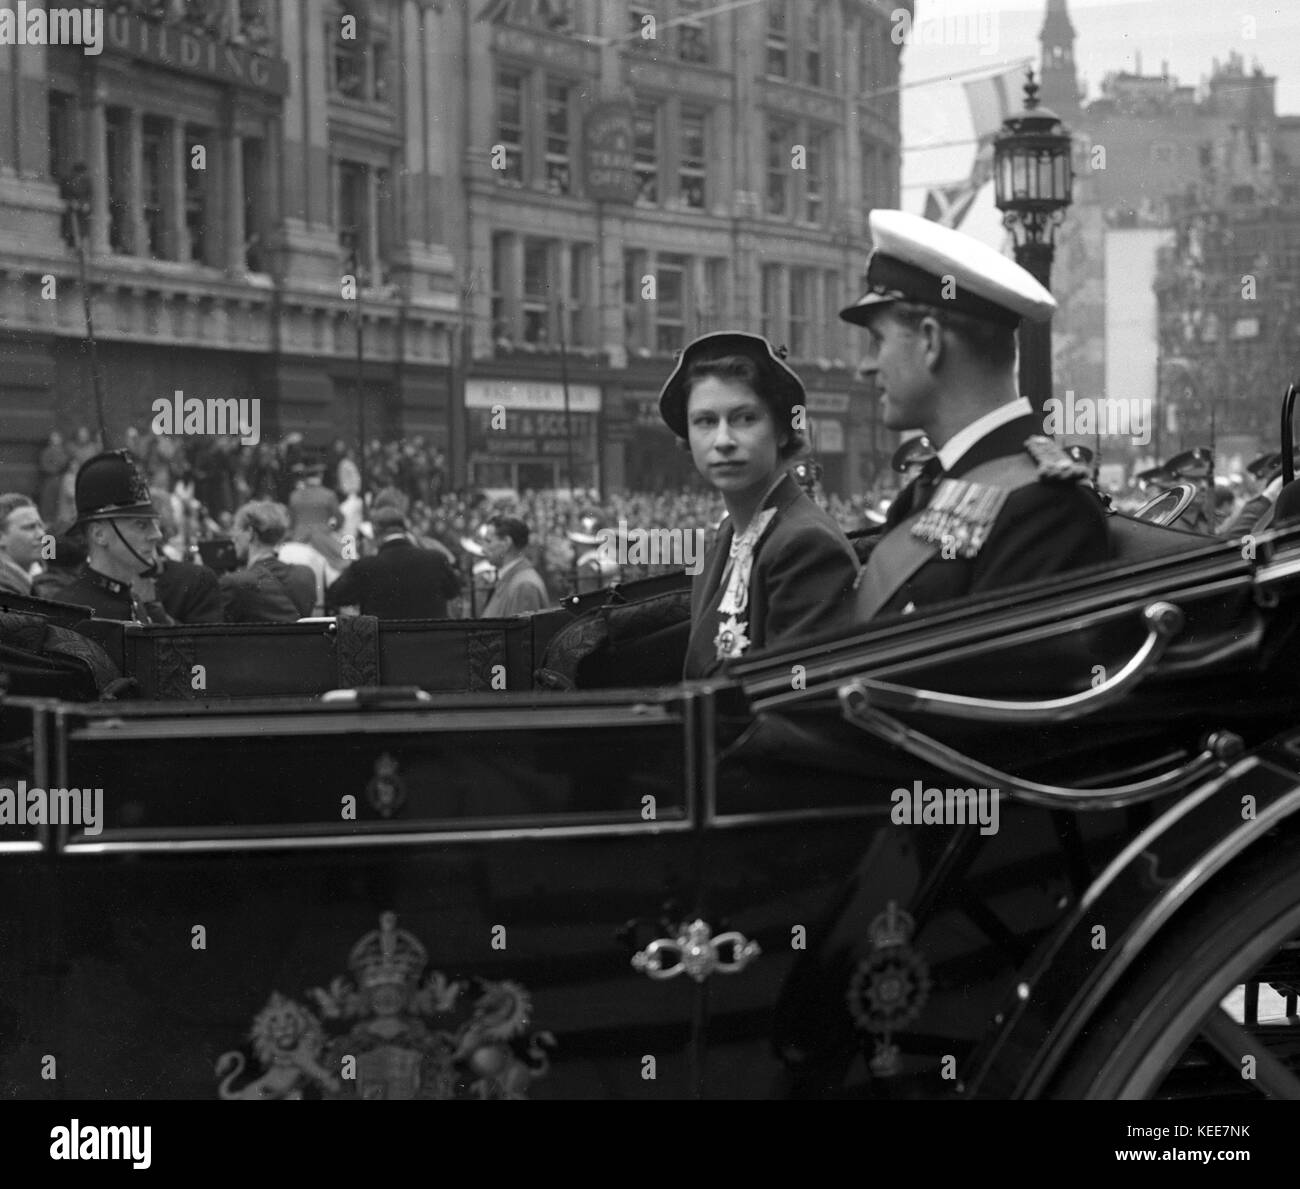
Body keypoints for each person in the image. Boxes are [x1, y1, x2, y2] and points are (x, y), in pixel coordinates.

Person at [841, 210, 1108, 621]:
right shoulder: (932, 486)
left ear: (930, 341)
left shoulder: (1047, 509)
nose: (866, 366)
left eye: (878, 341)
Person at [658, 331, 860, 679]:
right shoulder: (727, 535)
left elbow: (794, 705)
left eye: (745, 418)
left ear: (783, 430)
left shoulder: (805, 544)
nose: (723, 441)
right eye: (705, 421)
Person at [45, 450, 172, 624]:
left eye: (154, 524)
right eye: (141, 525)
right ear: (99, 534)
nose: (156, 535)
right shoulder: (72, 611)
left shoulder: (134, 601)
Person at [324, 507, 461, 620]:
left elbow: (336, 595)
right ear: (405, 529)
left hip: (385, 649)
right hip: (432, 646)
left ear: (375, 532)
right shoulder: (436, 559)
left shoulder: (366, 566)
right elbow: (454, 591)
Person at [219, 500, 317, 623]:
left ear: (250, 533)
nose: (233, 539)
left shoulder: (233, 583)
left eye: (236, 531)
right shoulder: (305, 575)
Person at [479, 516, 550, 617]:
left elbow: (521, 632)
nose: (483, 549)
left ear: (506, 543)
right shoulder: (512, 579)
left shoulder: (524, 586)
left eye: (488, 541)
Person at [0, 494, 45, 596]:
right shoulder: (5, 591)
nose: (41, 534)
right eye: (30, 527)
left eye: (41, 526)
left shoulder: (29, 581)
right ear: (1, 538)